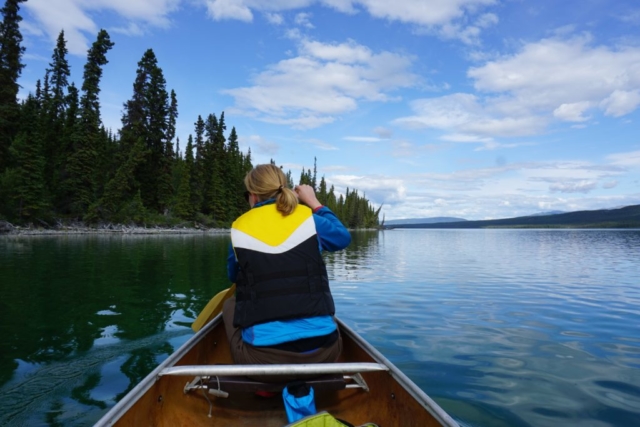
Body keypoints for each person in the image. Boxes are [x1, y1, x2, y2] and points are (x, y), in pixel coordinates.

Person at [223, 164, 351, 368]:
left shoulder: (239, 227)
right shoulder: (308, 218)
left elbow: (233, 276)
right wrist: (313, 202)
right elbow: (342, 238)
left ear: (253, 195)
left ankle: (266, 385)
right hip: (325, 352)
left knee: (230, 304)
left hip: (262, 361)